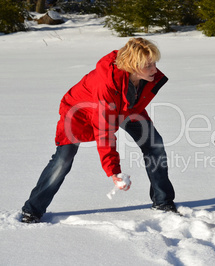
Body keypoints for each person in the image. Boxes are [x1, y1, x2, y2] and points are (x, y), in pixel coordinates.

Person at [21, 38, 176, 223]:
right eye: (148, 65)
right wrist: (114, 172)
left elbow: (128, 105)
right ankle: (32, 210)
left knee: (154, 144)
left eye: (154, 63)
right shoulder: (107, 85)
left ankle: (163, 202)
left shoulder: (144, 78)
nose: (154, 70)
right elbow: (105, 133)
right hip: (78, 113)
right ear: (133, 66)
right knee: (63, 159)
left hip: (123, 108)